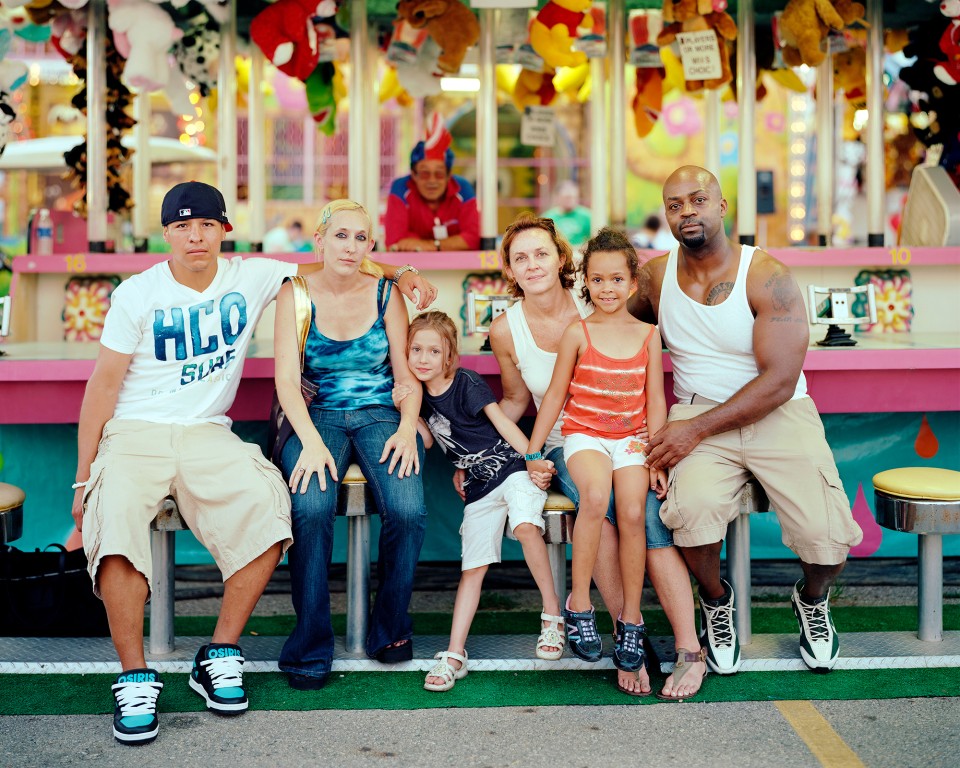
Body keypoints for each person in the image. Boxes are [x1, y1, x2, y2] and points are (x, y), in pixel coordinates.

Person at [71, 182, 437, 746]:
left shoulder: (257, 275)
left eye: (208, 225)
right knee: (118, 529)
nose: (196, 236)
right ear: (165, 233)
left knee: (274, 508)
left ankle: (220, 651)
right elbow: (102, 388)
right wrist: (83, 474)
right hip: (136, 432)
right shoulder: (135, 294)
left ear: (224, 231)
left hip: (209, 434)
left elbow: (342, 255)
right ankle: (134, 674)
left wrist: (401, 271)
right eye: (183, 226)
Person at [633, 165, 863, 675]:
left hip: (777, 412)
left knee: (829, 541)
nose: (686, 211)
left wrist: (692, 430)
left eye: (697, 200)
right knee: (690, 518)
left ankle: (812, 599)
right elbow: (608, 322)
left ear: (722, 206)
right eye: (674, 205)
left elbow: (779, 381)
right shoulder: (653, 277)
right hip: (694, 409)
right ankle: (716, 603)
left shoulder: (768, 275)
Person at [488, 214, 706, 700]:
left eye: (541, 253)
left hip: (627, 438)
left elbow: (651, 387)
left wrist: (656, 453)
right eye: (520, 258)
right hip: (573, 441)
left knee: (646, 514)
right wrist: (494, 450)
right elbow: (518, 401)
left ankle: (686, 648)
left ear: (563, 259)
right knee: (602, 505)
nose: (533, 265)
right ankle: (628, 637)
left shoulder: (601, 301)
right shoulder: (507, 329)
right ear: (509, 268)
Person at [274, 199, 427, 692]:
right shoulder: (293, 294)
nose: (350, 246)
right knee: (311, 506)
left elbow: (405, 378)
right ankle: (310, 644)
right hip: (314, 415)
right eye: (340, 235)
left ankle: (390, 630)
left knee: (407, 508)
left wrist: (407, 427)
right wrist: (311, 441)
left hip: (381, 413)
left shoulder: (386, 294)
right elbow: (285, 382)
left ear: (370, 246)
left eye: (360, 238)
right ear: (319, 240)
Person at [524, 228, 669, 694]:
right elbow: (554, 398)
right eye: (598, 279)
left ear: (632, 284)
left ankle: (630, 617)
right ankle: (580, 601)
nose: (607, 288)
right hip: (584, 435)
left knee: (631, 513)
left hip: (630, 439)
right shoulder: (578, 332)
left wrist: (658, 453)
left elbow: (655, 400)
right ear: (586, 282)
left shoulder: (649, 334)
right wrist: (533, 449)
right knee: (595, 496)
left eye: (617, 279)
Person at [400, 311, 561, 693]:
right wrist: (402, 408)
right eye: (415, 350)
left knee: (524, 527)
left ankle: (553, 615)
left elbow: (502, 423)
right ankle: (455, 653)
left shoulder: (465, 382)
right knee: (472, 567)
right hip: (478, 486)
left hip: (513, 467)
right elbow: (425, 441)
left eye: (433, 351)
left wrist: (533, 456)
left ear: (449, 356)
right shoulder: (418, 396)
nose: (423, 358)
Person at [385, 114, 480, 252]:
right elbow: (394, 242)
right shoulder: (400, 188)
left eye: (439, 173)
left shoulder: (463, 188)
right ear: (414, 175)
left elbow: (473, 239)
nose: (432, 180)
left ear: (449, 175)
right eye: (424, 173)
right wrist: (453, 243)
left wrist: (428, 245)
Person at [541, 180, 592, 248]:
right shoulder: (548, 217)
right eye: (567, 197)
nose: (571, 200)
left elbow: (592, 239)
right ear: (558, 197)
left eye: (574, 197)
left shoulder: (587, 216)